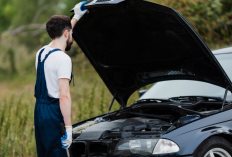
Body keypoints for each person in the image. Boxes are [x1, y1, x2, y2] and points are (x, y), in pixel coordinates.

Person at [34, 2, 87, 157]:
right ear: (66, 34)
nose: (71, 36)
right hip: (53, 114)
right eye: (69, 33)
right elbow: (64, 96)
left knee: (44, 152)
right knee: (58, 153)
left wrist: (76, 17)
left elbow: (62, 34)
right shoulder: (63, 60)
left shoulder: (41, 53)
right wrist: (69, 128)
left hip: (39, 111)